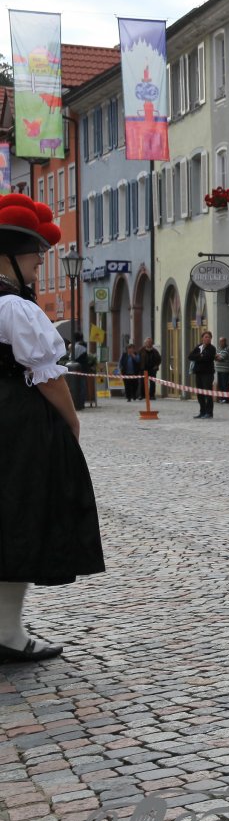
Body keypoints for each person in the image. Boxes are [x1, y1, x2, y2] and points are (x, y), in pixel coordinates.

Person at [0, 193, 105, 662]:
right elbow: (48, 378)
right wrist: (71, 422)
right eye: (33, 255)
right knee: (20, 521)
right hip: (15, 427)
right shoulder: (14, 308)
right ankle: (7, 633)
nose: (39, 264)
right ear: (9, 258)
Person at [188, 331, 217, 418]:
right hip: (198, 373)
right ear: (202, 338)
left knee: (207, 393)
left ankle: (209, 412)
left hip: (207, 373)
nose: (207, 338)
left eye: (209, 337)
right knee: (200, 393)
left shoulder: (212, 348)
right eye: (206, 337)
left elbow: (207, 358)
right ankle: (202, 411)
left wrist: (199, 357)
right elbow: (190, 356)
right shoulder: (198, 347)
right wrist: (200, 356)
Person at [215, 337, 229, 404]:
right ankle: (222, 398)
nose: (221, 343)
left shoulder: (227, 349)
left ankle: (226, 399)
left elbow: (221, 358)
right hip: (219, 369)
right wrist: (217, 356)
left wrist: (218, 356)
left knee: (225, 385)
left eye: (222, 341)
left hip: (225, 370)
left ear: (225, 342)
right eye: (220, 341)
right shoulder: (218, 349)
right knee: (220, 385)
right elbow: (215, 357)